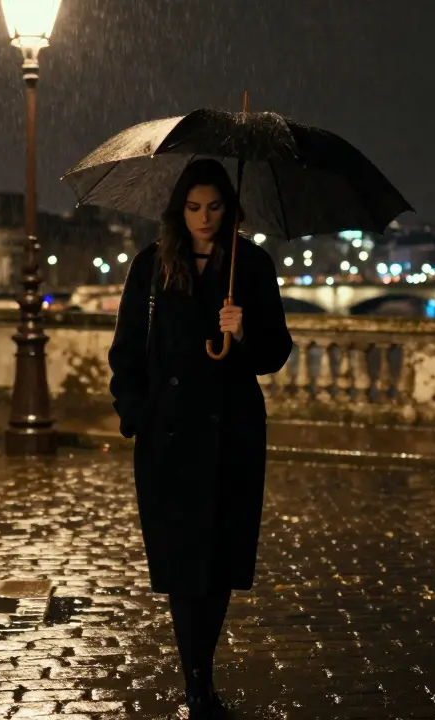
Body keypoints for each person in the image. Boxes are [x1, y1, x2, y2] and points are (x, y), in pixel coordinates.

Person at [108, 159, 293, 718]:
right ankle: (197, 683)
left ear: (229, 209)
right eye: (193, 208)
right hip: (169, 439)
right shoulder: (151, 266)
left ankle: (199, 676)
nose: (204, 219)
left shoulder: (252, 267)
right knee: (183, 564)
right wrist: (138, 414)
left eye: (214, 208)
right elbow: (125, 354)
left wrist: (244, 333)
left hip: (232, 437)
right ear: (178, 210)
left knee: (218, 563)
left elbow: (276, 353)